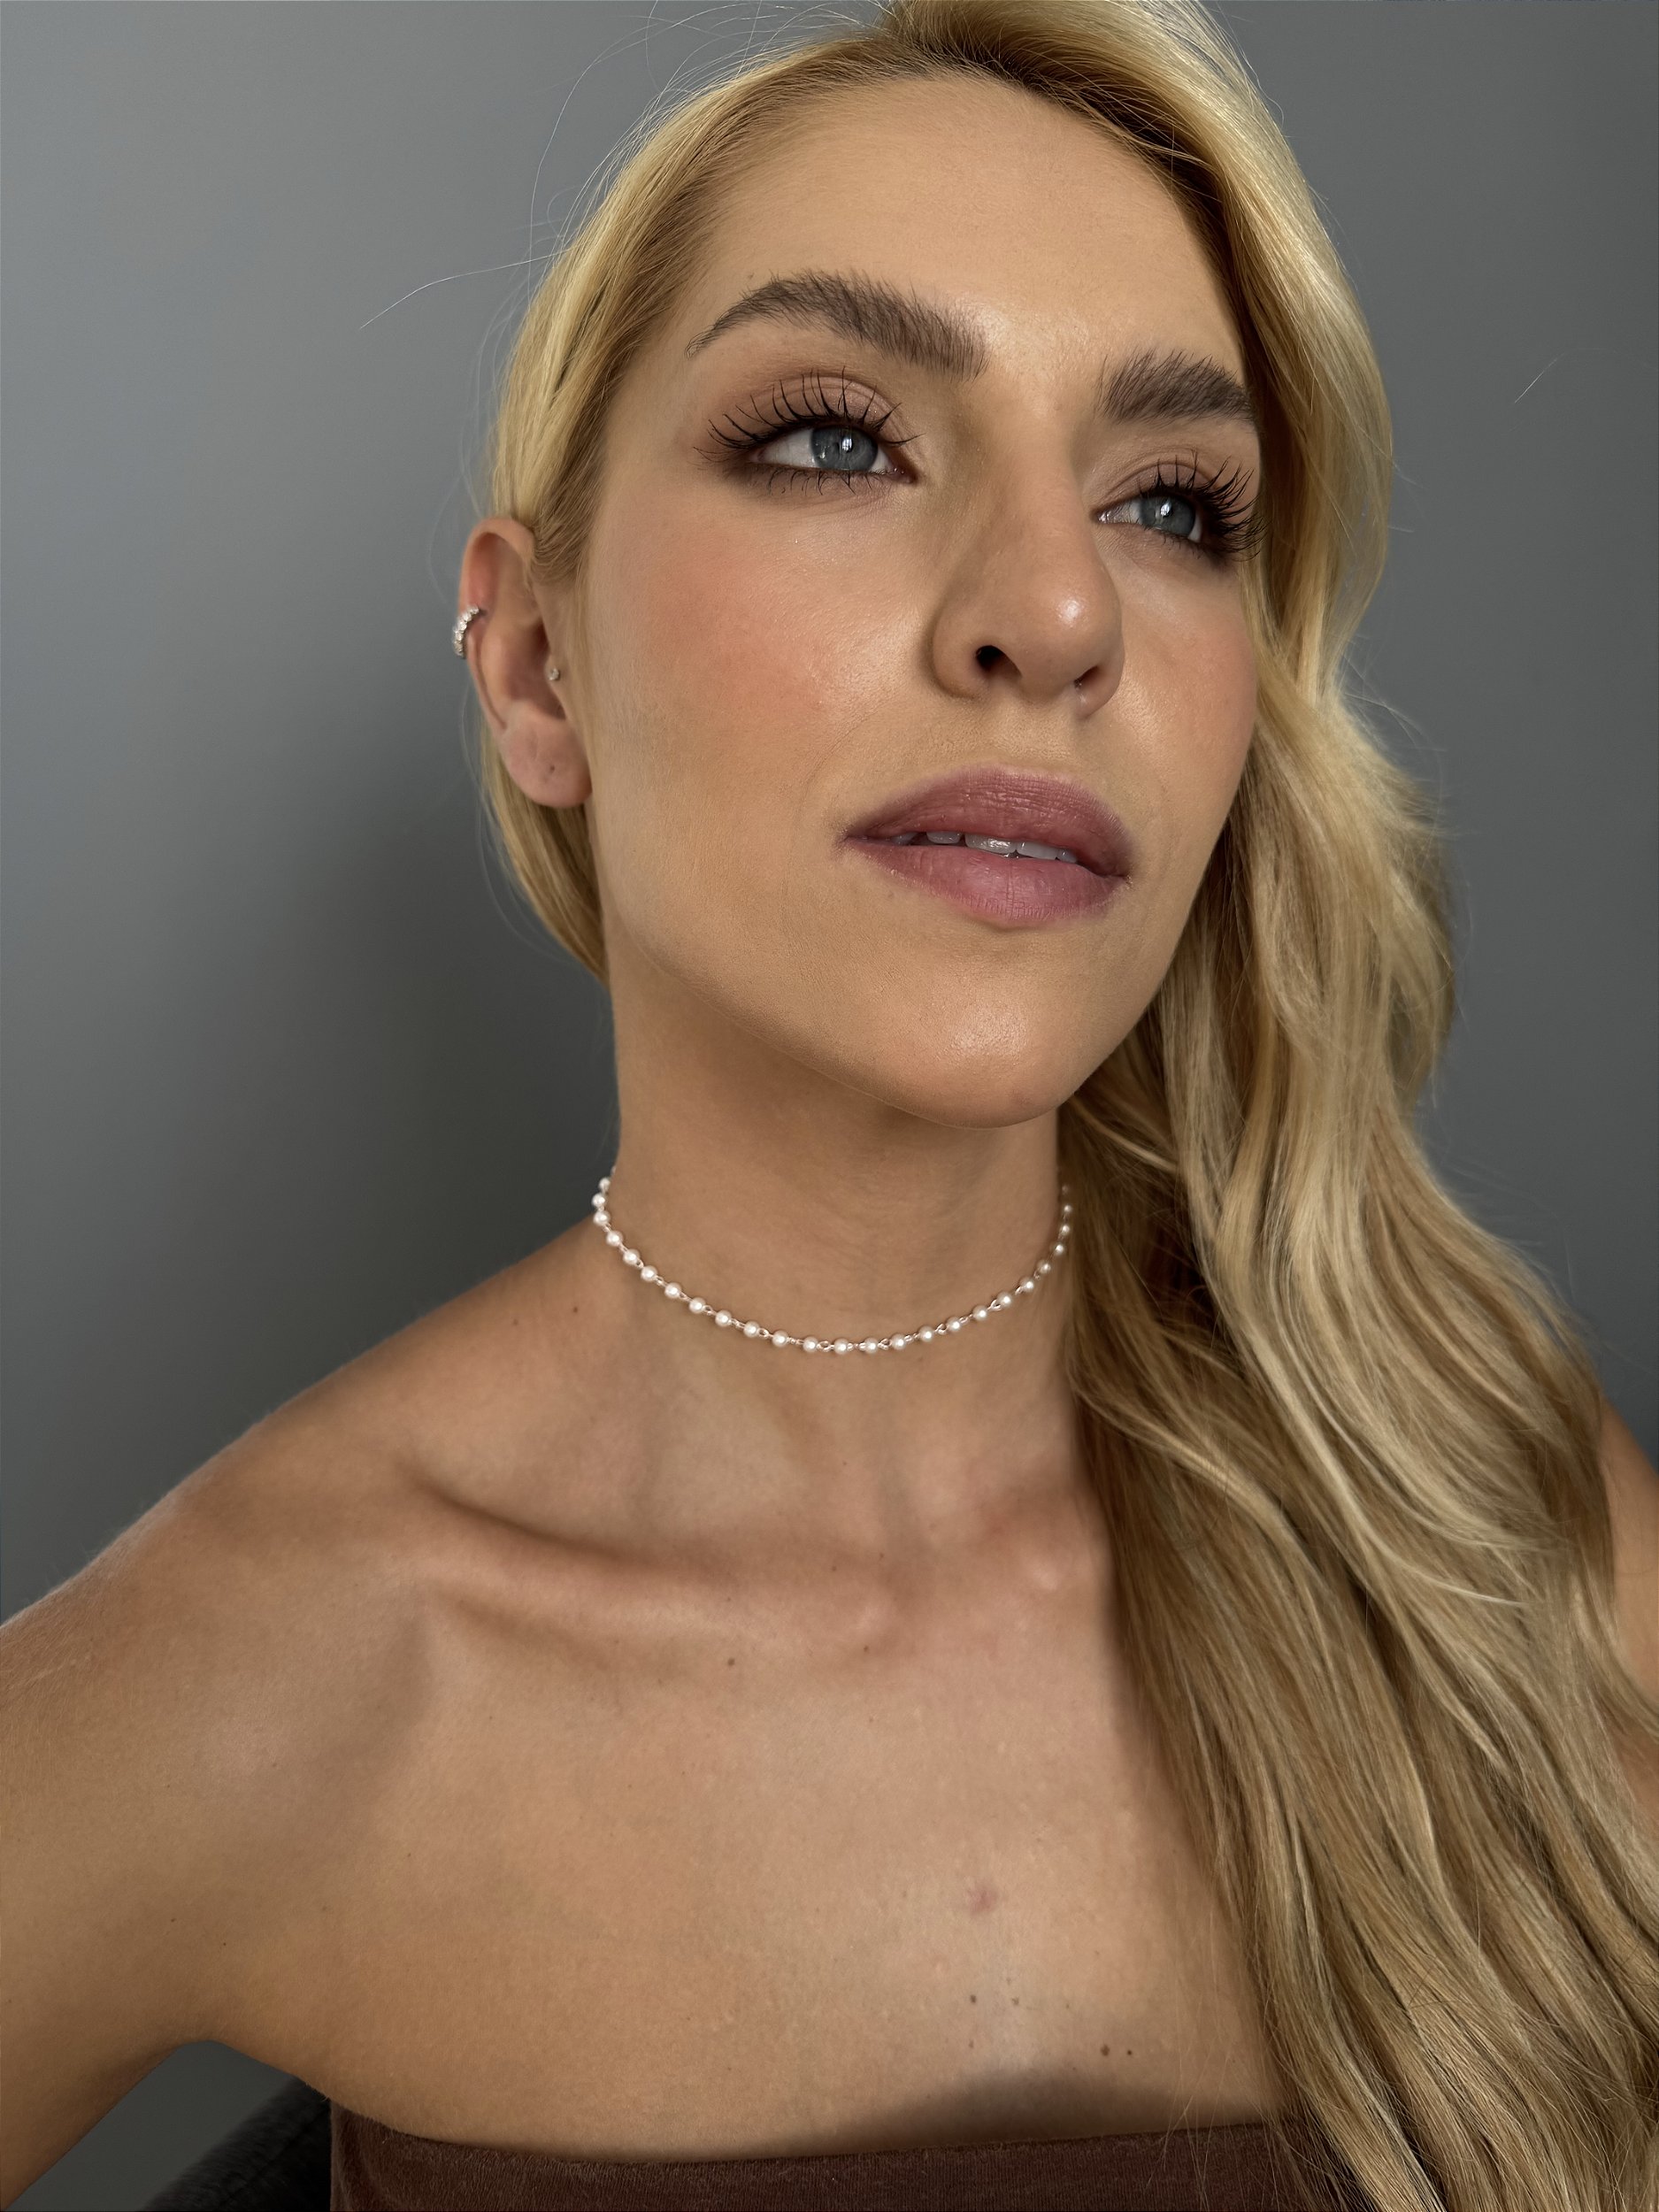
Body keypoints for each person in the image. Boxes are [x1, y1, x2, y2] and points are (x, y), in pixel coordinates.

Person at [4, 1, 1656, 2208]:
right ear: (536, 666)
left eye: (1170, 502)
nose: (1054, 609)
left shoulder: (1468, 1510)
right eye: (834, 441)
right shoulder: (277, 1665)